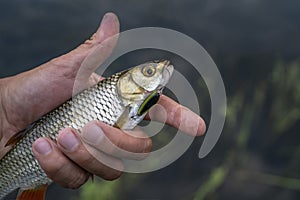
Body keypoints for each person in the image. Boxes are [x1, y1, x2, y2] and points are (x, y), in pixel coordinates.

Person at [0, 13, 206, 189]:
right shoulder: (123, 98)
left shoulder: (135, 99)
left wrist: (4, 109)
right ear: (127, 83)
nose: (158, 71)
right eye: (149, 72)